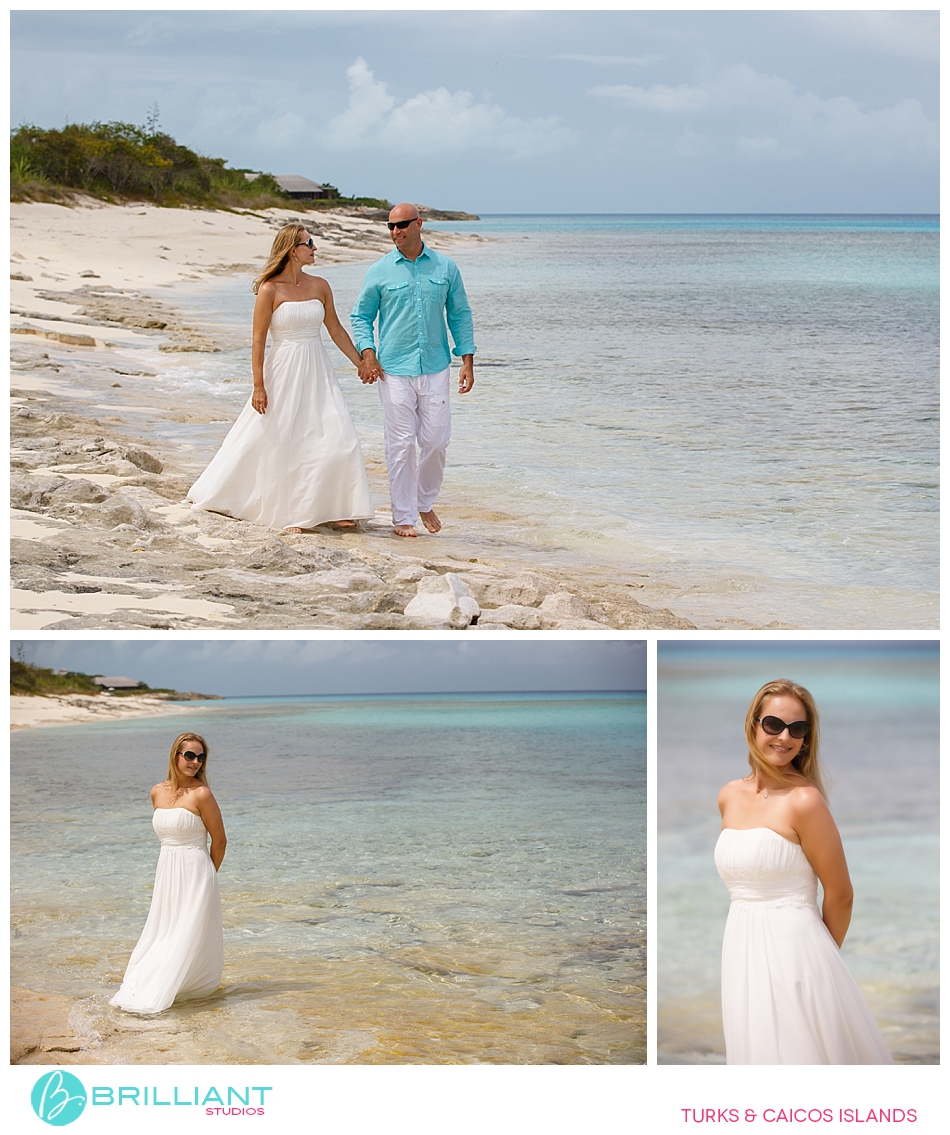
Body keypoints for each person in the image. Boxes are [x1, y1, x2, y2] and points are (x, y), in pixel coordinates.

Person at [715, 679, 892, 1064]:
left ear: (807, 739)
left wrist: (821, 963)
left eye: (798, 729)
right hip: (740, 950)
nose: (784, 737)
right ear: (753, 725)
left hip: (799, 953)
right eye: (774, 724)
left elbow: (841, 894)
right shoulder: (728, 795)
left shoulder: (805, 800)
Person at [188, 224, 378, 533]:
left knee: (338, 436)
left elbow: (336, 330)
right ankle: (290, 512)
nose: (314, 248)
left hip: (317, 367)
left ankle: (338, 506)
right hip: (284, 369)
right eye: (309, 243)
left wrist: (361, 363)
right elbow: (258, 340)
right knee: (284, 441)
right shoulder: (269, 289)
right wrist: (258, 386)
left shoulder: (320, 285)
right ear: (293, 250)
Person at [351, 203, 475, 537]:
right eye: (390, 226)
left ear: (419, 224)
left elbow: (460, 314)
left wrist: (466, 359)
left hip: (436, 366)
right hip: (393, 368)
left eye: (402, 224)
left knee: (435, 442)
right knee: (401, 444)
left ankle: (424, 500)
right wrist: (368, 354)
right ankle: (403, 517)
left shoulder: (445, 267)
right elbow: (360, 317)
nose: (396, 231)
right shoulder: (379, 271)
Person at [110, 732, 226, 1014]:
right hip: (167, 872)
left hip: (197, 872)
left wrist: (206, 880)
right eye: (189, 755)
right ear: (175, 755)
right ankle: (162, 983)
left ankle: (179, 987)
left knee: (186, 932)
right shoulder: (157, 791)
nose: (195, 762)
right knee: (164, 931)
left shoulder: (202, 794)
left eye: (200, 757)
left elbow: (219, 842)